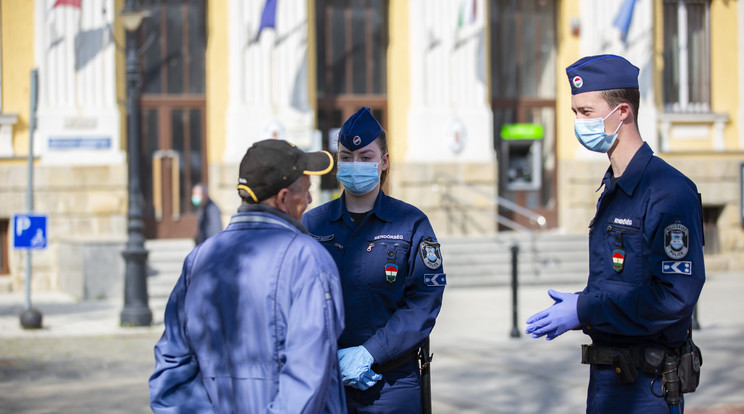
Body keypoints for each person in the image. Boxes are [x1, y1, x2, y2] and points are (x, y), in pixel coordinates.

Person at [525, 55, 705, 413]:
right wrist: (581, 305)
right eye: (575, 112)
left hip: (646, 387)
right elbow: (623, 283)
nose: (578, 123)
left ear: (622, 111)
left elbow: (673, 297)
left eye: (586, 112)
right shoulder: (614, 187)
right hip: (608, 382)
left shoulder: (667, 191)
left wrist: (586, 309)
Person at [149, 139, 347, 413]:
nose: (310, 200)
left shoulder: (199, 258)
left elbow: (171, 370)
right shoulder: (307, 259)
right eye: (307, 190)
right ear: (283, 198)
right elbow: (308, 375)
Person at [302, 107, 446, 413]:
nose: (356, 165)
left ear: (384, 162)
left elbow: (424, 300)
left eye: (365, 157)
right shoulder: (313, 224)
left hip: (391, 383)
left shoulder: (410, 222)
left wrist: (371, 352)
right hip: (324, 382)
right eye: (346, 157)